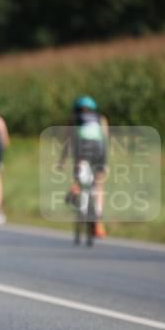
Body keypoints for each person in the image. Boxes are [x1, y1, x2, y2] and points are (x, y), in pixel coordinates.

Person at [58, 95, 109, 238]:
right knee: (98, 185)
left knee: (78, 175)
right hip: (99, 153)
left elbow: (68, 142)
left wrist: (62, 161)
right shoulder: (101, 118)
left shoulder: (74, 118)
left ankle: (74, 190)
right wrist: (105, 164)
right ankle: (98, 219)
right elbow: (104, 140)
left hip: (81, 153)